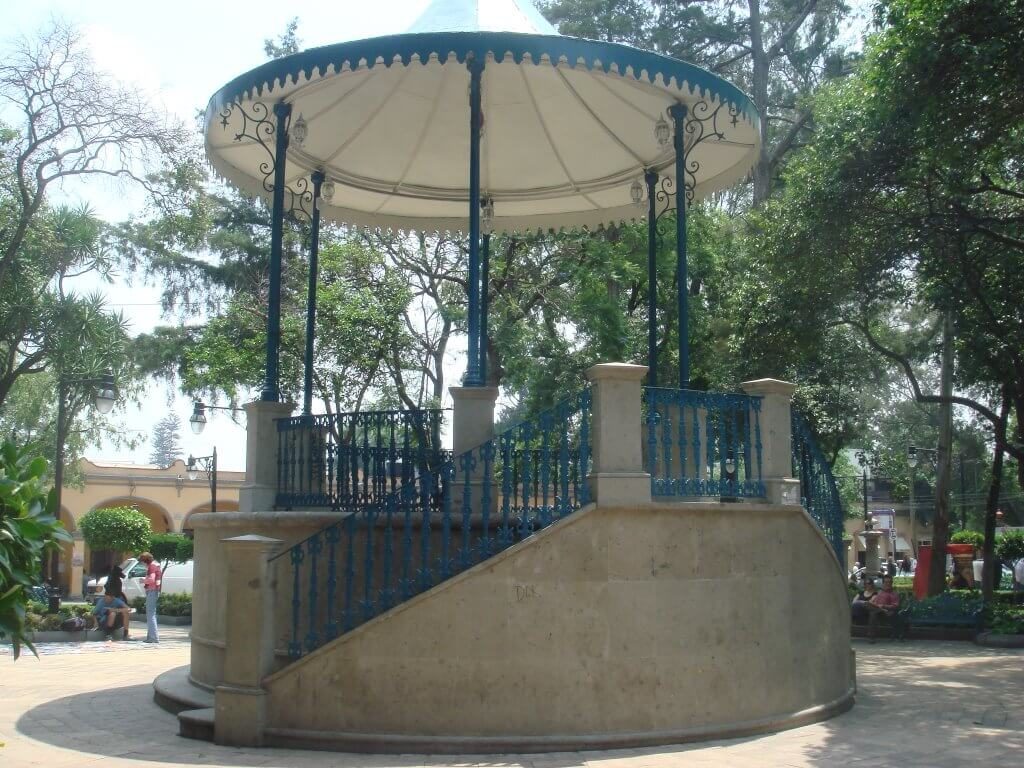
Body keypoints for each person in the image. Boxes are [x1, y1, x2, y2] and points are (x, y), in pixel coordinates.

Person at [867, 575, 905, 642]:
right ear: (883, 583)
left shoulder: (894, 594)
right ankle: (871, 636)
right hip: (878, 611)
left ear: (892, 583)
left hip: (888, 614)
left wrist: (884, 606)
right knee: (868, 607)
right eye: (886, 582)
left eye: (889, 582)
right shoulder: (880, 592)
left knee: (873, 613)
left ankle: (871, 637)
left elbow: (895, 606)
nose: (888, 584)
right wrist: (874, 604)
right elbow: (875, 602)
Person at [140, 551, 161, 643]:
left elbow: (152, 579)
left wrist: (143, 580)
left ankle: (153, 637)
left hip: (152, 591)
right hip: (155, 590)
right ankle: (150, 637)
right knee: (151, 614)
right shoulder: (156, 565)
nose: (142, 564)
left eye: (142, 561)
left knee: (150, 614)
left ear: (146, 561)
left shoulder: (151, 566)